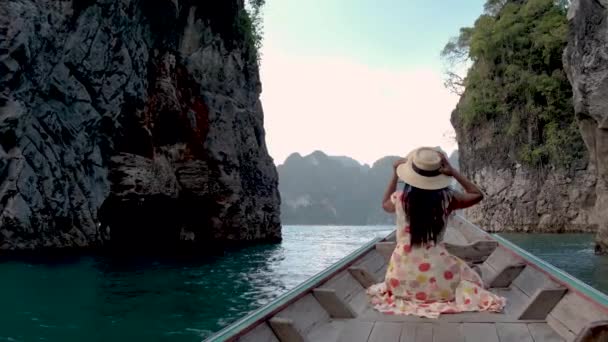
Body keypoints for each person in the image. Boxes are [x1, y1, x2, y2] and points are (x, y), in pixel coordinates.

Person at [367, 146, 506, 318]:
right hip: (440, 283)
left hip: (399, 281)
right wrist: (453, 171)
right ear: (439, 175)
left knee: (463, 271)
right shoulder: (447, 199)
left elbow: (384, 204)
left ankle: (415, 290)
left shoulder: (400, 199)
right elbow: (476, 194)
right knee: (473, 275)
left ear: (410, 175)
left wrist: (395, 173)